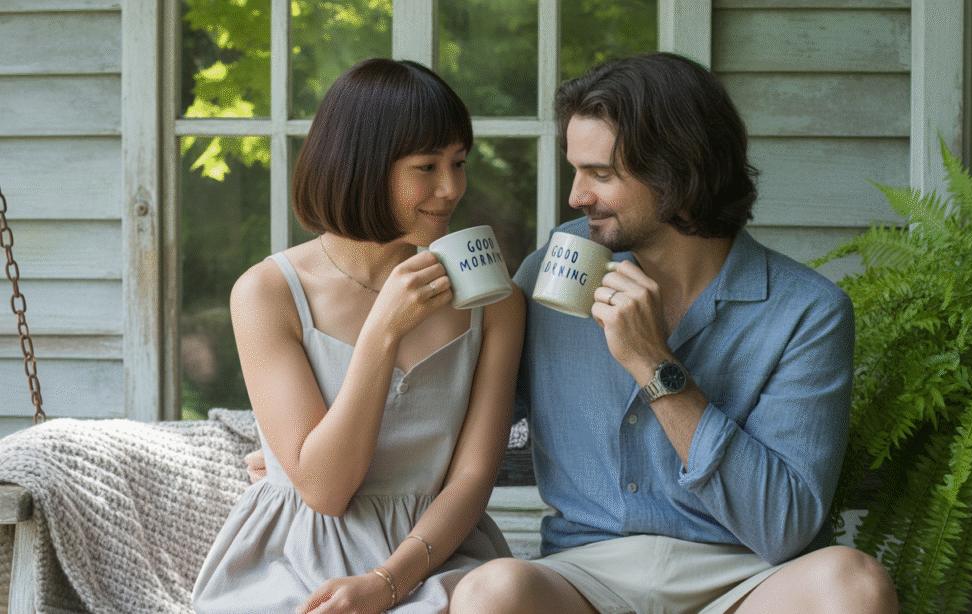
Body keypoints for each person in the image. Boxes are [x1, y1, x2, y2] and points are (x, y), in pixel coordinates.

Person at [449, 53, 899, 614]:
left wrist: (653, 365)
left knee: (854, 585)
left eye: (601, 174)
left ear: (677, 172)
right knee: (491, 594)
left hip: (745, 578)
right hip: (584, 575)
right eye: (576, 169)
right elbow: (458, 426)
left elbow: (784, 528)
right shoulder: (555, 271)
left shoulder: (807, 311)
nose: (576, 196)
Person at [192, 58, 525, 614]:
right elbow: (324, 489)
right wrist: (382, 333)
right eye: (426, 167)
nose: (451, 188)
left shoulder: (494, 302)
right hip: (294, 561)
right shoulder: (267, 292)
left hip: (435, 557)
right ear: (362, 165)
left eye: (459, 163)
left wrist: (387, 582)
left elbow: (471, 480)